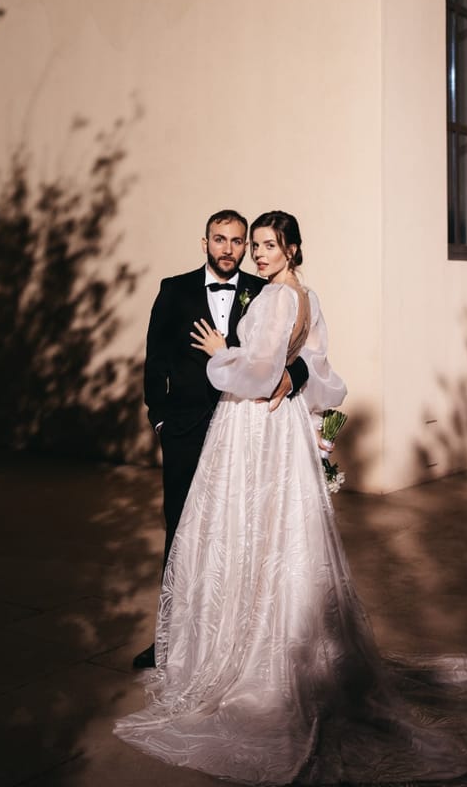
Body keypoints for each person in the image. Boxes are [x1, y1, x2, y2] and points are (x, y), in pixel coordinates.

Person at [116, 210, 467, 784]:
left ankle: (237, 647)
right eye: (255, 245)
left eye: (267, 245)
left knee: (239, 530)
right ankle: (262, 633)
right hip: (281, 432)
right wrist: (295, 384)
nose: (258, 254)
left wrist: (222, 352)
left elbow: (257, 374)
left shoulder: (269, 298)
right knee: (275, 532)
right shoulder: (308, 296)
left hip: (250, 431)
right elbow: (325, 377)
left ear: (291, 248)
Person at [133, 208, 310, 669]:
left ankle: (223, 636)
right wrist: (161, 421)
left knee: (236, 534)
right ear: (205, 241)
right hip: (187, 433)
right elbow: (155, 362)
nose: (231, 250)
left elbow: (299, 350)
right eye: (221, 240)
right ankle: (169, 639)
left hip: (243, 434)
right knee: (182, 534)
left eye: (239, 241)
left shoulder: (265, 288)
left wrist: (291, 377)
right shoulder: (174, 291)